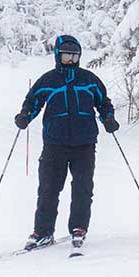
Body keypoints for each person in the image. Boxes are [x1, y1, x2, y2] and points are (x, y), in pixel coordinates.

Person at [14, 35, 118, 250]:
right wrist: (25, 116)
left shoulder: (89, 79)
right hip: (55, 144)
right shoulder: (48, 80)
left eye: (74, 56)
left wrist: (108, 118)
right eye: (66, 56)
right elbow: (33, 101)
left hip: (84, 143)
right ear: (57, 56)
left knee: (82, 188)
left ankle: (79, 227)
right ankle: (43, 231)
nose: (70, 60)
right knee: (48, 189)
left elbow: (103, 102)